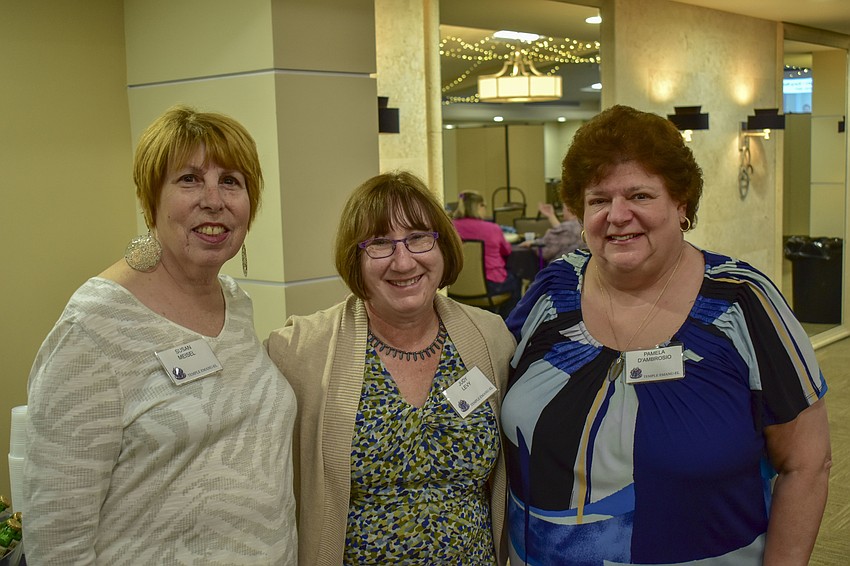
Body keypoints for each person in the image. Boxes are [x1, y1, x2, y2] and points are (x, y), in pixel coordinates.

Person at [500, 105, 831, 565]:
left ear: (681, 204)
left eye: (639, 195)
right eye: (598, 200)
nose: (617, 215)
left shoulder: (742, 302)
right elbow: (483, 375)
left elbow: (807, 463)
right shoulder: (552, 290)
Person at [23, 106, 298, 564]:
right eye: (189, 179)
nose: (214, 200)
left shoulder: (235, 303)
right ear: (150, 199)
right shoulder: (91, 331)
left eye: (231, 181)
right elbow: (57, 539)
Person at [266, 171, 516, 565]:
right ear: (355, 258)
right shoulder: (300, 351)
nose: (403, 261)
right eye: (380, 243)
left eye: (418, 237)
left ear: (441, 246)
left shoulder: (490, 338)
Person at [452, 190, 522, 317]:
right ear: (479, 206)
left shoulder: (450, 227)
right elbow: (507, 251)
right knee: (517, 281)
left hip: (456, 285)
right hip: (491, 286)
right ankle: (508, 327)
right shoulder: (492, 229)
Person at [518, 201, 583, 263]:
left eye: (563, 208)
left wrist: (532, 244)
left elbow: (545, 253)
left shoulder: (565, 228)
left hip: (560, 270)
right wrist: (550, 215)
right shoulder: (582, 226)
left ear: (569, 210)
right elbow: (564, 234)